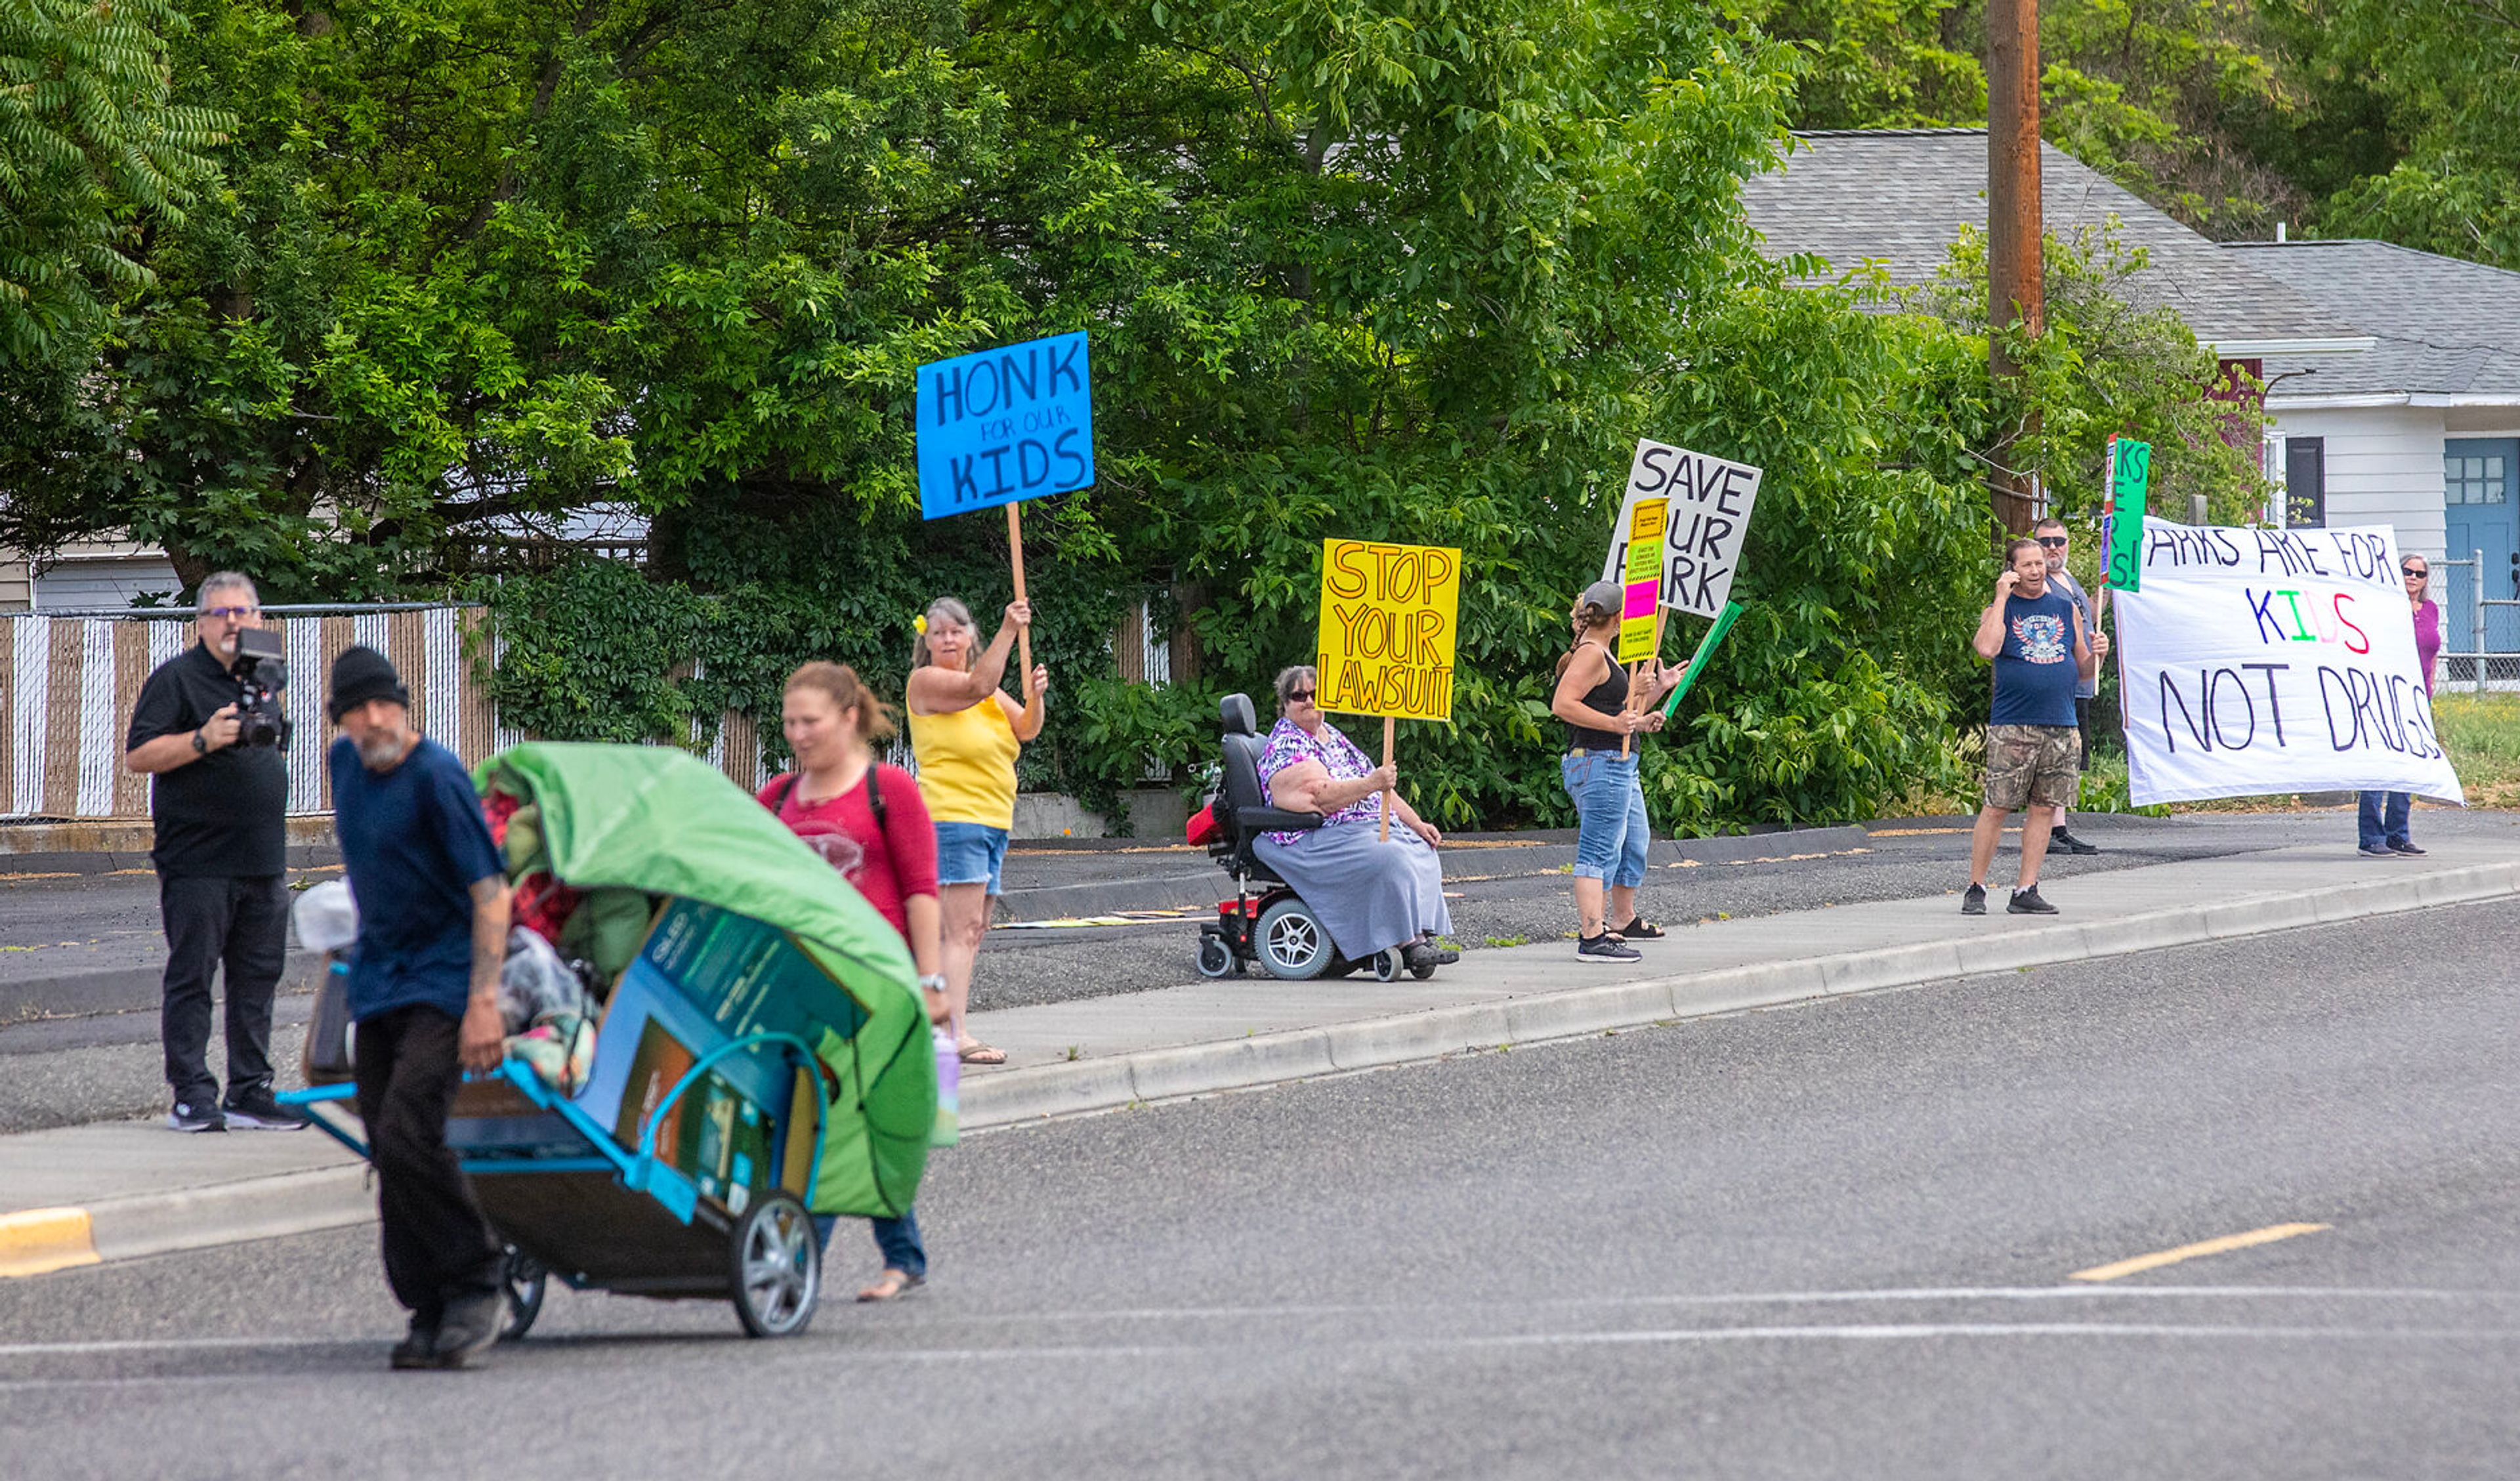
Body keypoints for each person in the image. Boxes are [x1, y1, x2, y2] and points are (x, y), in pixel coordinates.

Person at [327, 646, 513, 1371]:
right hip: (378, 978)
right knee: (386, 1142)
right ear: (339, 719)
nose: (376, 719)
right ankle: (428, 1305)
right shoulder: (345, 768)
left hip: (444, 979)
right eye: (360, 708)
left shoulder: (437, 775)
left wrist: (484, 1003)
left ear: (404, 705)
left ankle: (476, 1279)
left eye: (386, 704)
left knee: (411, 1126)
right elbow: (367, 876)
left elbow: (491, 894)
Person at [757, 662, 950, 1303]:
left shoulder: (887, 789)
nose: (798, 734)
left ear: (848, 717)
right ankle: (905, 1256)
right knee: (831, 1121)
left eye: (810, 721)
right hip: (795, 992)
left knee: (831, 1121)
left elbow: (922, 892)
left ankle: (790, 1265)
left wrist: (931, 981)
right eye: (790, 722)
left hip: (874, 991)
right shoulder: (777, 797)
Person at [121, 572, 299, 1134]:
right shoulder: (176, 679)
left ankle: (251, 1090)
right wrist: (203, 739)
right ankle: (193, 1094)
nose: (232, 623)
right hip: (198, 858)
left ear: (258, 618)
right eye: (221, 613)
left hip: (263, 856)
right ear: (201, 622)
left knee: (258, 978)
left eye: (243, 612)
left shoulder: (264, 675)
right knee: (193, 976)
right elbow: (140, 755)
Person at [906, 596, 1047, 1067]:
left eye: (956, 630)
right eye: (938, 633)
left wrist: (1036, 698)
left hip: (992, 819)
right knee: (959, 930)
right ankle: (950, 1032)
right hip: (952, 816)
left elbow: (1026, 728)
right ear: (926, 642)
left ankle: (942, 1024)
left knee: (974, 928)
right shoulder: (927, 682)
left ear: (970, 637)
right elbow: (976, 684)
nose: (947, 639)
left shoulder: (987, 690)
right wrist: (1010, 628)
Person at [1251, 665, 1458, 971]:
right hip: (1310, 836)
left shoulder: (1331, 735)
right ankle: (1405, 942)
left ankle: (1420, 934)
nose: (1309, 701)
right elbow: (1321, 796)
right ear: (1285, 704)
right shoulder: (1287, 743)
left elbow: (1382, 789)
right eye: (1299, 696)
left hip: (1358, 826)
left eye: (1315, 694)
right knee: (1390, 857)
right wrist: (1373, 783)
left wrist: (1416, 823)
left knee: (1421, 847)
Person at [1550, 580, 1683, 963]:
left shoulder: (1600, 652)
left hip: (1616, 761)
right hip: (1599, 761)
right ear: (1618, 619)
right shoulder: (1591, 654)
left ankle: (1621, 920)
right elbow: (1563, 704)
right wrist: (1619, 726)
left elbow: (1623, 713)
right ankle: (1592, 935)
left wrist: (1656, 693)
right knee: (1599, 849)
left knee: (1633, 841)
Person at [1964, 538, 2097, 915]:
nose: (2037, 571)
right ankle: (1976, 886)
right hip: (2014, 726)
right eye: (2027, 565)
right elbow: (1987, 649)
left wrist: (2098, 653)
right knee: (1998, 806)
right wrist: (2002, 599)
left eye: (2040, 564)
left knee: (2043, 808)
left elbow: (2084, 669)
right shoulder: (1999, 609)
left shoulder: (2065, 606)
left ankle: (2026, 888)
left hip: (2061, 724)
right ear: (2011, 570)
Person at [2359, 553, 2443, 858]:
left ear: (2425, 580)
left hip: (2419, 697)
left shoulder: (2431, 610)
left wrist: (2429, 689)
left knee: (2408, 767)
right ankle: (2370, 837)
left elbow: (2433, 651)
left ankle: (2398, 834)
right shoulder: (2386, 608)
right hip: (2386, 694)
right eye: (2407, 571)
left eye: (2419, 574)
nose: (2412, 577)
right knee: (2380, 766)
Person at [2034, 518, 2106, 856]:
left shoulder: (2068, 580)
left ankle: (2059, 827)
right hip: (2059, 681)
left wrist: (2108, 592)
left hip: (2081, 681)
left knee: (2070, 760)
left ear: (2067, 544)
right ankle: (2049, 829)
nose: (2052, 548)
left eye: (2058, 541)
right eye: (2045, 541)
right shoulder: (2040, 584)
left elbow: (2086, 615)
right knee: (2054, 759)